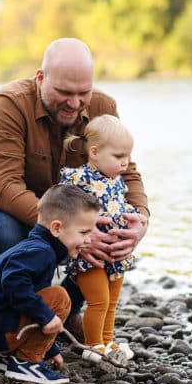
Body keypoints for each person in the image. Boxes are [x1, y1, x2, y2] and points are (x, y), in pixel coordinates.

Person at [0, 38, 149, 339]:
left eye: (83, 93)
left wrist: (140, 220)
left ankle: (64, 310)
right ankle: (11, 323)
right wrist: (69, 230)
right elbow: (2, 186)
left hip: (51, 216)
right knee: (4, 232)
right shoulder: (9, 104)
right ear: (40, 78)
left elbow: (126, 172)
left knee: (108, 229)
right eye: (64, 92)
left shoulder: (104, 108)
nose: (75, 103)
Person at [0, 184, 100, 384]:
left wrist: (50, 349)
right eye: (84, 232)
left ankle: (4, 357)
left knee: (42, 300)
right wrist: (46, 319)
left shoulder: (34, 248)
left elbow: (25, 299)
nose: (89, 240)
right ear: (56, 228)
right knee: (59, 298)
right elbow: (13, 283)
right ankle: (25, 363)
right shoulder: (41, 251)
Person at [61, 115, 138, 362]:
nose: (125, 163)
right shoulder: (79, 180)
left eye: (127, 156)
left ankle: (107, 341)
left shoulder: (117, 180)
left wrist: (138, 219)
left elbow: (122, 205)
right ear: (94, 152)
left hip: (115, 254)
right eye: (118, 157)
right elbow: (66, 210)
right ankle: (93, 346)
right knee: (98, 302)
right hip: (90, 255)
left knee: (112, 301)